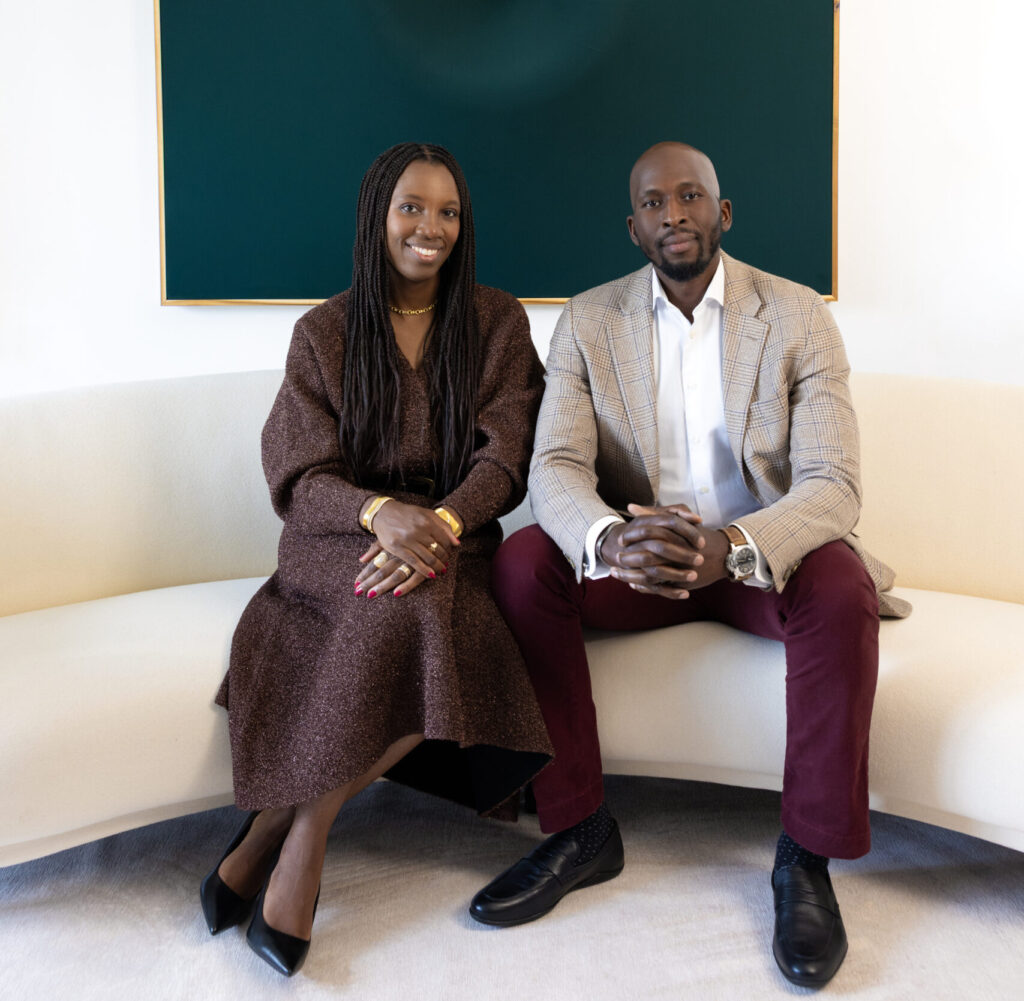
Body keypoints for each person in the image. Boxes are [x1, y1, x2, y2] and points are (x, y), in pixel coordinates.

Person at [468, 142, 911, 987]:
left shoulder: (796, 314)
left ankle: (806, 859)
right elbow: (555, 465)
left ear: (723, 212)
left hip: (752, 557)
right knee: (526, 562)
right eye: (653, 203)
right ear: (632, 227)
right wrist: (607, 539)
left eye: (691, 196)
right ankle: (579, 830)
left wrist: (735, 545)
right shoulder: (588, 320)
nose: (673, 213)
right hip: (640, 559)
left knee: (841, 581)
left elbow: (833, 483)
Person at [199, 142, 552, 976]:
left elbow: (504, 460)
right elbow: (296, 469)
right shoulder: (322, 332)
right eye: (412, 208)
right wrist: (377, 512)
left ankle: (293, 830)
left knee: (423, 599)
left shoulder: (498, 322)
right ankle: (289, 835)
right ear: (377, 217)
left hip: (453, 539)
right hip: (337, 540)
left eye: (448, 213)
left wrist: (439, 526)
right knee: (392, 599)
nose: (430, 227)